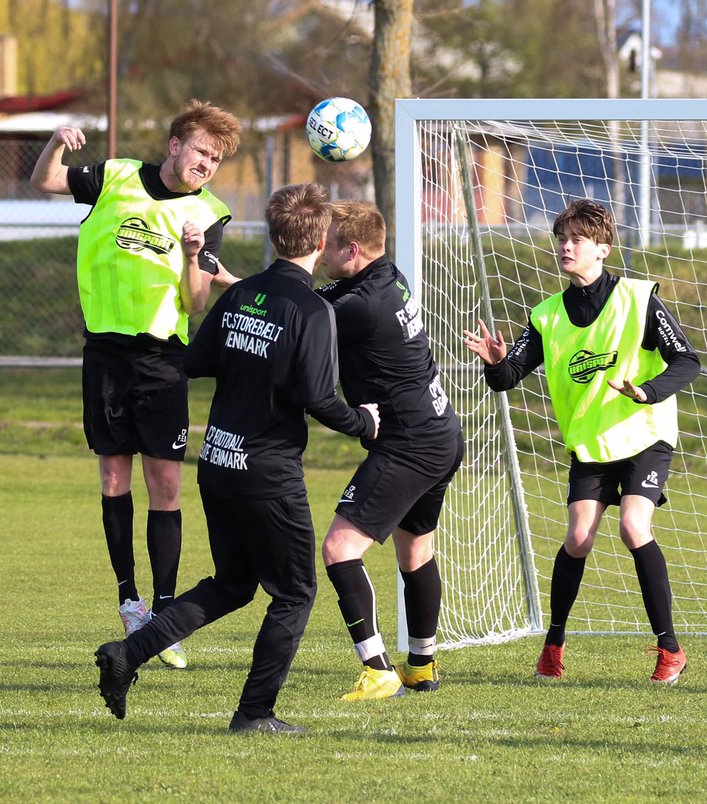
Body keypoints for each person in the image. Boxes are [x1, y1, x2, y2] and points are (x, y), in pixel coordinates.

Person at [93, 183, 380, 733]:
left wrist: (251, 356)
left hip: (218, 463)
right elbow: (319, 398)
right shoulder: (313, 310)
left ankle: (128, 652)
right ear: (321, 241)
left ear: (274, 237)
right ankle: (254, 712)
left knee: (233, 583)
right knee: (295, 592)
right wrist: (365, 422)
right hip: (267, 473)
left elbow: (196, 362)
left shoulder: (242, 294)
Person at [30, 100, 243, 669]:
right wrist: (55, 142)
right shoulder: (115, 176)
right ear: (175, 144)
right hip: (105, 353)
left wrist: (193, 256)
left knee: (166, 485)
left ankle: (166, 617)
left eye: (216, 159)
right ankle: (130, 602)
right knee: (113, 477)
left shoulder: (210, 213)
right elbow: (45, 180)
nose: (206, 164)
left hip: (163, 360)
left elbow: (195, 304)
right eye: (201, 150)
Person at [462, 198, 701, 684]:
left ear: (603, 249)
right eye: (562, 239)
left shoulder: (638, 299)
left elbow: (688, 361)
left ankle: (669, 649)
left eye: (577, 239)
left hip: (644, 436)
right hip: (591, 445)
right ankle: (553, 645)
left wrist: (647, 391)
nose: (566, 247)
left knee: (633, 527)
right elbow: (507, 379)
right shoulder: (547, 316)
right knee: (577, 538)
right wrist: (495, 361)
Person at [315, 201, 464, 701]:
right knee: (416, 551)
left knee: (339, 550)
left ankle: (378, 671)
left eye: (328, 242)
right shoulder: (386, 276)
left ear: (352, 249)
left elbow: (301, 319)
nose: (320, 249)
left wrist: (243, 295)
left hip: (409, 443)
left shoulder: (363, 305)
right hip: (440, 432)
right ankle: (421, 666)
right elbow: (317, 301)